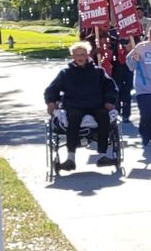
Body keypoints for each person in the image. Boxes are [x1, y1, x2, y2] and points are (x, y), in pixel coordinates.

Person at [44, 41, 118, 169]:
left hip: (96, 104)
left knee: (103, 116)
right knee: (73, 118)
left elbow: (111, 87)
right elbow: (52, 88)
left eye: (83, 54)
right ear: (72, 56)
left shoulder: (99, 72)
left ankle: (102, 156)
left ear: (87, 55)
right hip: (74, 105)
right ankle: (70, 159)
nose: (80, 57)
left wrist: (110, 101)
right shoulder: (65, 73)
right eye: (77, 55)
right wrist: (51, 101)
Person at [108, 33, 134, 124]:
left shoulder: (133, 36)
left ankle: (126, 114)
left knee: (127, 92)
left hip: (127, 68)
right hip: (116, 69)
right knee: (116, 91)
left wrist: (130, 47)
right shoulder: (113, 37)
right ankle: (117, 112)